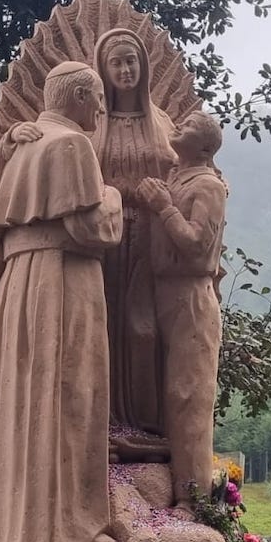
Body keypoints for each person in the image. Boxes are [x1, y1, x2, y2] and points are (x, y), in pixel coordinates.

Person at [0, 61, 122, 542]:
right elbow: (88, 228)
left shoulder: (22, 148)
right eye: (96, 97)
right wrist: (113, 198)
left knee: (25, 397)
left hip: (18, 285)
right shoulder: (71, 145)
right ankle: (67, 526)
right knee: (68, 395)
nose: (100, 107)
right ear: (76, 96)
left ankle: (16, 524)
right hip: (61, 280)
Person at [136, 110, 227, 512]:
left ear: (205, 147)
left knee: (188, 395)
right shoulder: (178, 175)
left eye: (188, 127)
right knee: (162, 391)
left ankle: (193, 499)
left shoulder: (208, 185)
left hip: (190, 295)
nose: (178, 126)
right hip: (160, 292)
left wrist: (163, 206)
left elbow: (195, 245)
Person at [92, 27, 178, 441]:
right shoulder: (92, 124)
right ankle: (103, 420)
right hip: (102, 238)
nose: (125, 69)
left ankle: (147, 424)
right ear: (103, 71)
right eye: (117, 62)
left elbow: (184, 167)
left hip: (149, 236)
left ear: (143, 67)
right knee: (101, 324)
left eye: (132, 61)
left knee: (144, 328)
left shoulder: (159, 122)